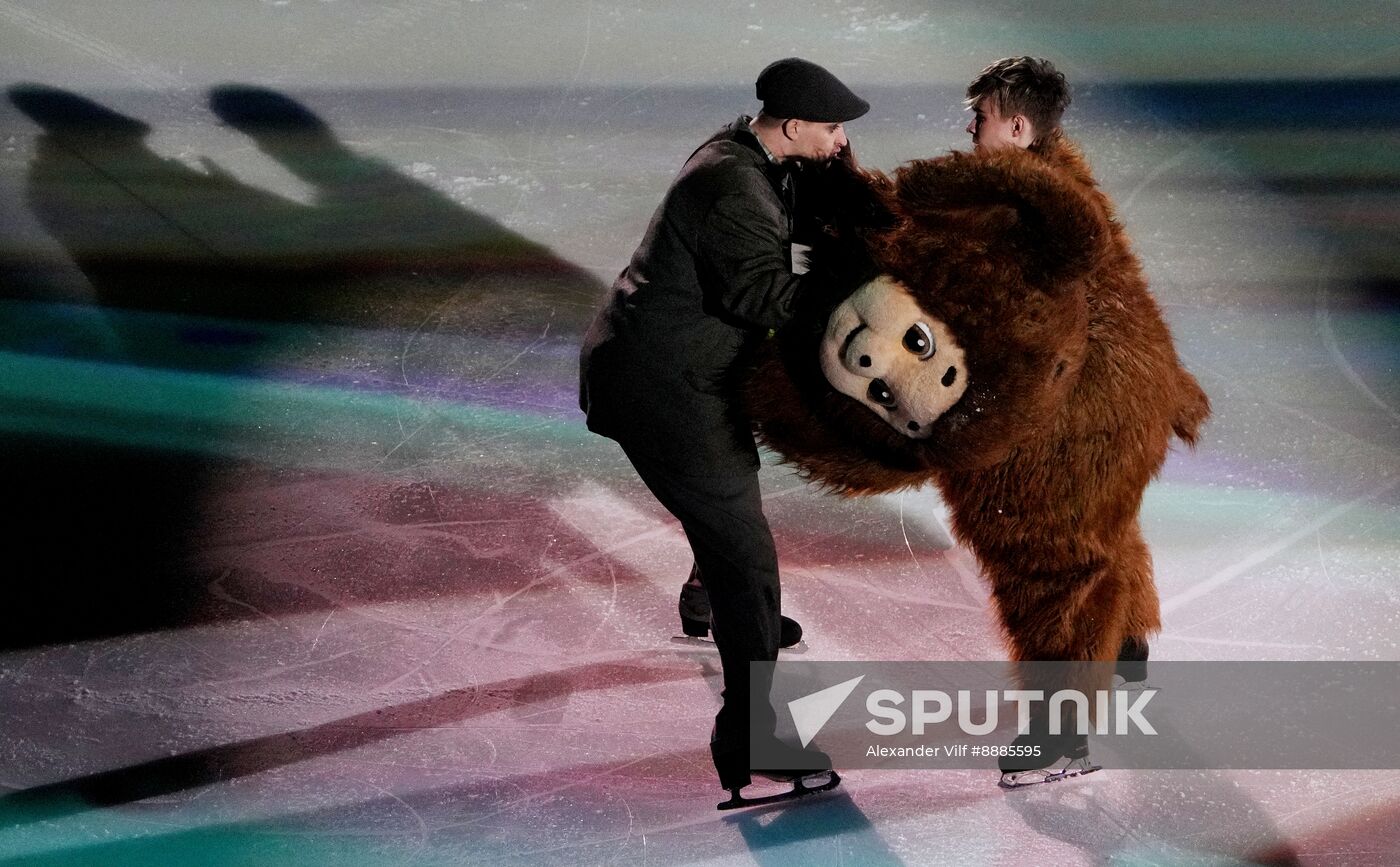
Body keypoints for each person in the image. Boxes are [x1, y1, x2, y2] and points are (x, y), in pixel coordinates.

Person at [579, 57, 868, 801]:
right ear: (794, 126)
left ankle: (711, 601)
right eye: (832, 129)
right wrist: (855, 277)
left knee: (726, 508)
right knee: (746, 552)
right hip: (664, 388)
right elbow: (768, 296)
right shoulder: (733, 187)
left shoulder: (753, 155)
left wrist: (829, 223)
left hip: (670, 368)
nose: (841, 141)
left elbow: (791, 240)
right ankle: (753, 733)